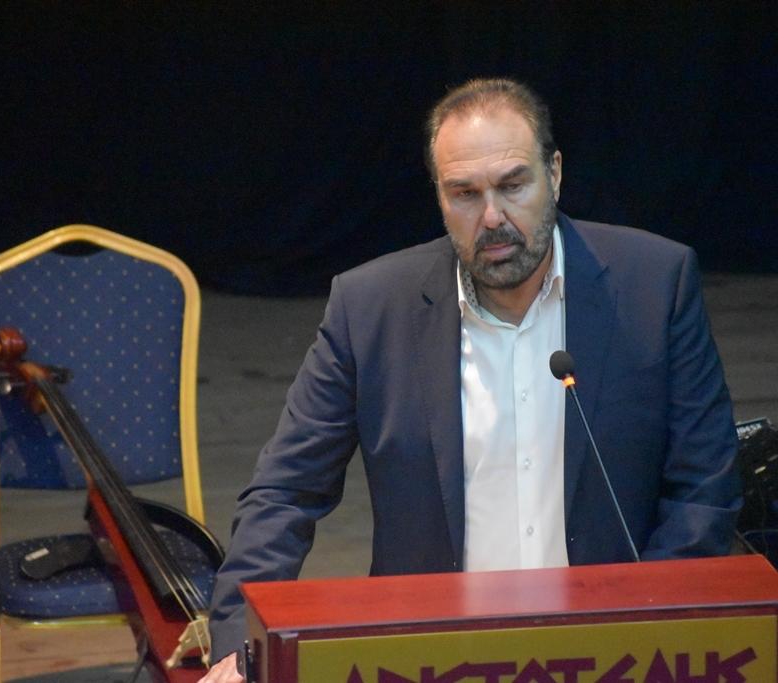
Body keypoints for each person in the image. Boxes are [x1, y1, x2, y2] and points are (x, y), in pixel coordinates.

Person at [199, 78, 741, 682]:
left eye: (513, 185)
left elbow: (703, 489)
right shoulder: (370, 307)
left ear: (555, 174)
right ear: (439, 196)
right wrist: (238, 647)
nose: (492, 217)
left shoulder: (654, 284)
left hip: (612, 655)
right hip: (432, 660)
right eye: (465, 193)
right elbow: (284, 491)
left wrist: (645, 632)